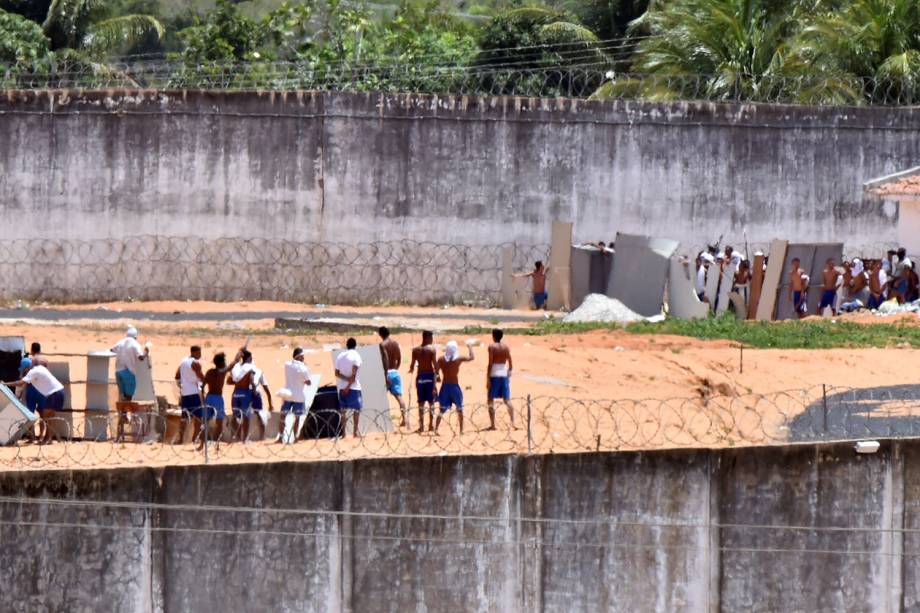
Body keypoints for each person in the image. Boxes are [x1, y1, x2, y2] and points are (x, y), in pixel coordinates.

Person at [5, 363, 65, 445]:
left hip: (53, 393)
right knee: (50, 417)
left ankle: (47, 439)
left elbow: (20, 383)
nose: (23, 372)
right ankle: (49, 438)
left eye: (24, 370)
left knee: (47, 417)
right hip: (60, 391)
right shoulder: (40, 368)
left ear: (27, 368)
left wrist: (5, 384)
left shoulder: (32, 373)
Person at [201, 349, 242, 449]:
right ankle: (217, 444)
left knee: (204, 422)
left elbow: (202, 386)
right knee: (219, 422)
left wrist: (203, 398)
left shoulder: (209, 372)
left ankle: (202, 444)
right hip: (217, 399)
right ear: (222, 363)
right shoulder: (222, 372)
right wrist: (240, 352)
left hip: (209, 397)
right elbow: (234, 362)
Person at [229, 350, 273, 443]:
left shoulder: (238, 368)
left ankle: (236, 436)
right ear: (250, 359)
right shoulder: (257, 370)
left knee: (237, 415)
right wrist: (270, 403)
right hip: (253, 393)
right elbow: (265, 388)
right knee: (256, 414)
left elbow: (230, 380)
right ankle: (261, 436)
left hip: (238, 393)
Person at [434, 341, 474, 435]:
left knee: (441, 409)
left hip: (445, 387)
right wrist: (470, 347)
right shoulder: (458, 359)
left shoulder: (441, 359)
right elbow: (471, 357)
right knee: (459, 409)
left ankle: (436, 429)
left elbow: (436, 372)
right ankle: (461, 430)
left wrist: (438, 377)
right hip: (454, 386)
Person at [280, 347, 312, 443]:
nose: (304, 358)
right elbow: (309, 382)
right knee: (297, 417)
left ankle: (280, 437)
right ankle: (295, 438)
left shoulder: (287, 364)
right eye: (303, 356)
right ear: (300, 356)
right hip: (298, 396)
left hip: (288, 394)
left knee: (283, 417)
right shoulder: (303, 368)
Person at [487, 328, 517, 431]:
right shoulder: (506, 347)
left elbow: (490, 363)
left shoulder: (491, 347)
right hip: (503, 374)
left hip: (494, 374)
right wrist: (508, 374)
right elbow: (511, 363)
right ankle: (513, 422)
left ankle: (493, 425)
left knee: (490, 400)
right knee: (507, 400)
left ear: (494, 336)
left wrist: (487, 378)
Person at [378, 326, 408, 428]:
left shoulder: (382, 345)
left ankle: (381, 421)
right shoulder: (395, 344)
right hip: (395, 372)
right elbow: (399, 358)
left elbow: (384, 360)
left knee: (380, 398)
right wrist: (395, 369)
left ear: (380, 334)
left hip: (386, 374)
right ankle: (405, 419)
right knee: (399, 397)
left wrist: (386, 374)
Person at [408, 331, 437, 433]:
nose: (432, 339)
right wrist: (437, 376)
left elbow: (412, 365)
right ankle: (431, 426)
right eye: (431, 337)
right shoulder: (432, 350)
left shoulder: (415, 350)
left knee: (421, 402)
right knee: (431, 402)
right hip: (429, 376)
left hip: (420, 377)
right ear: (427, 338)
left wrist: (411, 369)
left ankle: (421, 426)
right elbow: (435, 364)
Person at [110, 326, 149, 401]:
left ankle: (122, 412)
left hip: (118, 372)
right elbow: (141, 357)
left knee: (122, 395)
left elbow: (112, 350)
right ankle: (126, 411)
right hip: (128, 372)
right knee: (129, 396)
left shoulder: (120, 342)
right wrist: (146, 352)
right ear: (135, 336)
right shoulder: (135, 344)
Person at [175, 346, 204, 442]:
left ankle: (180, 439)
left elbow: (177, 375)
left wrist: (181, 384)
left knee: (184, 417)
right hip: (193, 392)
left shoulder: (183, 361)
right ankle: (195, 438)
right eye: (199, 353)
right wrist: (206, 381)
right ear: (194, 352)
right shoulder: (195, 363)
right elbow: (201, 376)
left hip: (184, 393)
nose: (200, 355)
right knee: (198, 417)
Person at [335, 338, 363, 437]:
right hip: (354, 387)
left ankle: (344, 434)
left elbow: (337, 373)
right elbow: (354, 374)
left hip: (342, 387)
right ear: (355, 345)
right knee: (357, 410)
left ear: (347, 345)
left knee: (343, 411)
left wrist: (346, 380)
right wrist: (349, 385)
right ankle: (355, 432)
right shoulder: (356, 356)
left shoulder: (340, 356)